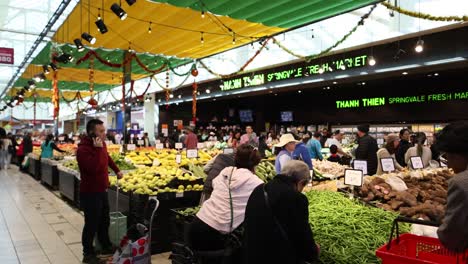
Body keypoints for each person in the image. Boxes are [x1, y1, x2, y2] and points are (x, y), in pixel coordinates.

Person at [188, 145, 263, 262]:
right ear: (256, 163)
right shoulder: (256, 183)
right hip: (215, 233)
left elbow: (215, 185)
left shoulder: (225, 172)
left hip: (197, 224)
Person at [243, 160, 320, 264]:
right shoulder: (297, 198)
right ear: (301, 182)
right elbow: (301, 234)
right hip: (278, 257)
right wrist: (313, 252)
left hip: (251, 255)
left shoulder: (259, 189)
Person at [76, 119, 123, 264]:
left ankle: (105, 246)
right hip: (90, 192)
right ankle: (88, 253)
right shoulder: (83, 150)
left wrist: (117, 170)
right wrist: (96, 149)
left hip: (102, 189)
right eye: (101, 131)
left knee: (104, 220)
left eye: (104, 130)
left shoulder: (102, 145)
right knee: (91, 224)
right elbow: (93, 168)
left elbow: (106, 158)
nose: (104, 134)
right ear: (92, 133)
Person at [435, 121, 468, 252]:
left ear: (458, 155)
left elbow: (451, 238)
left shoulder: (461, 182)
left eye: (447, 158)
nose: (448, 166)